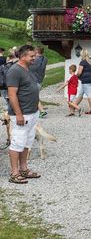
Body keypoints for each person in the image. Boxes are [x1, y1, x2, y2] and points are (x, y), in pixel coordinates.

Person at [6, 44, 41, 184]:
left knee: (27, 143)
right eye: (32, 56)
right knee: (17, 143)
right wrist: (18, 114)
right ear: (22, 56)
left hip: (32, 113)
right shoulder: (14, 71)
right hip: (22, 114)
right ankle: (14, 173)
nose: (35, 58)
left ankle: (23, 169)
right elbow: (12, 95)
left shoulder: (28, 69)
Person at [74, 49, 91, 115]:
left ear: (82, 54)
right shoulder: (90, 61)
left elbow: (79, 72)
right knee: (80, 94)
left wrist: (76, 76)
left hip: (85, 80)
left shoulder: (82, 62)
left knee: (89, 94)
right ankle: (73, 106)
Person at [29, 46, 48, 117]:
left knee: (33, 96)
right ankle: (39, 108)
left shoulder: (34, 60)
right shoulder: (45, 59)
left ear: (36, 51)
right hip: (40, 79)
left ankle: (42, 111)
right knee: (35, 95)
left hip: (34, 80)